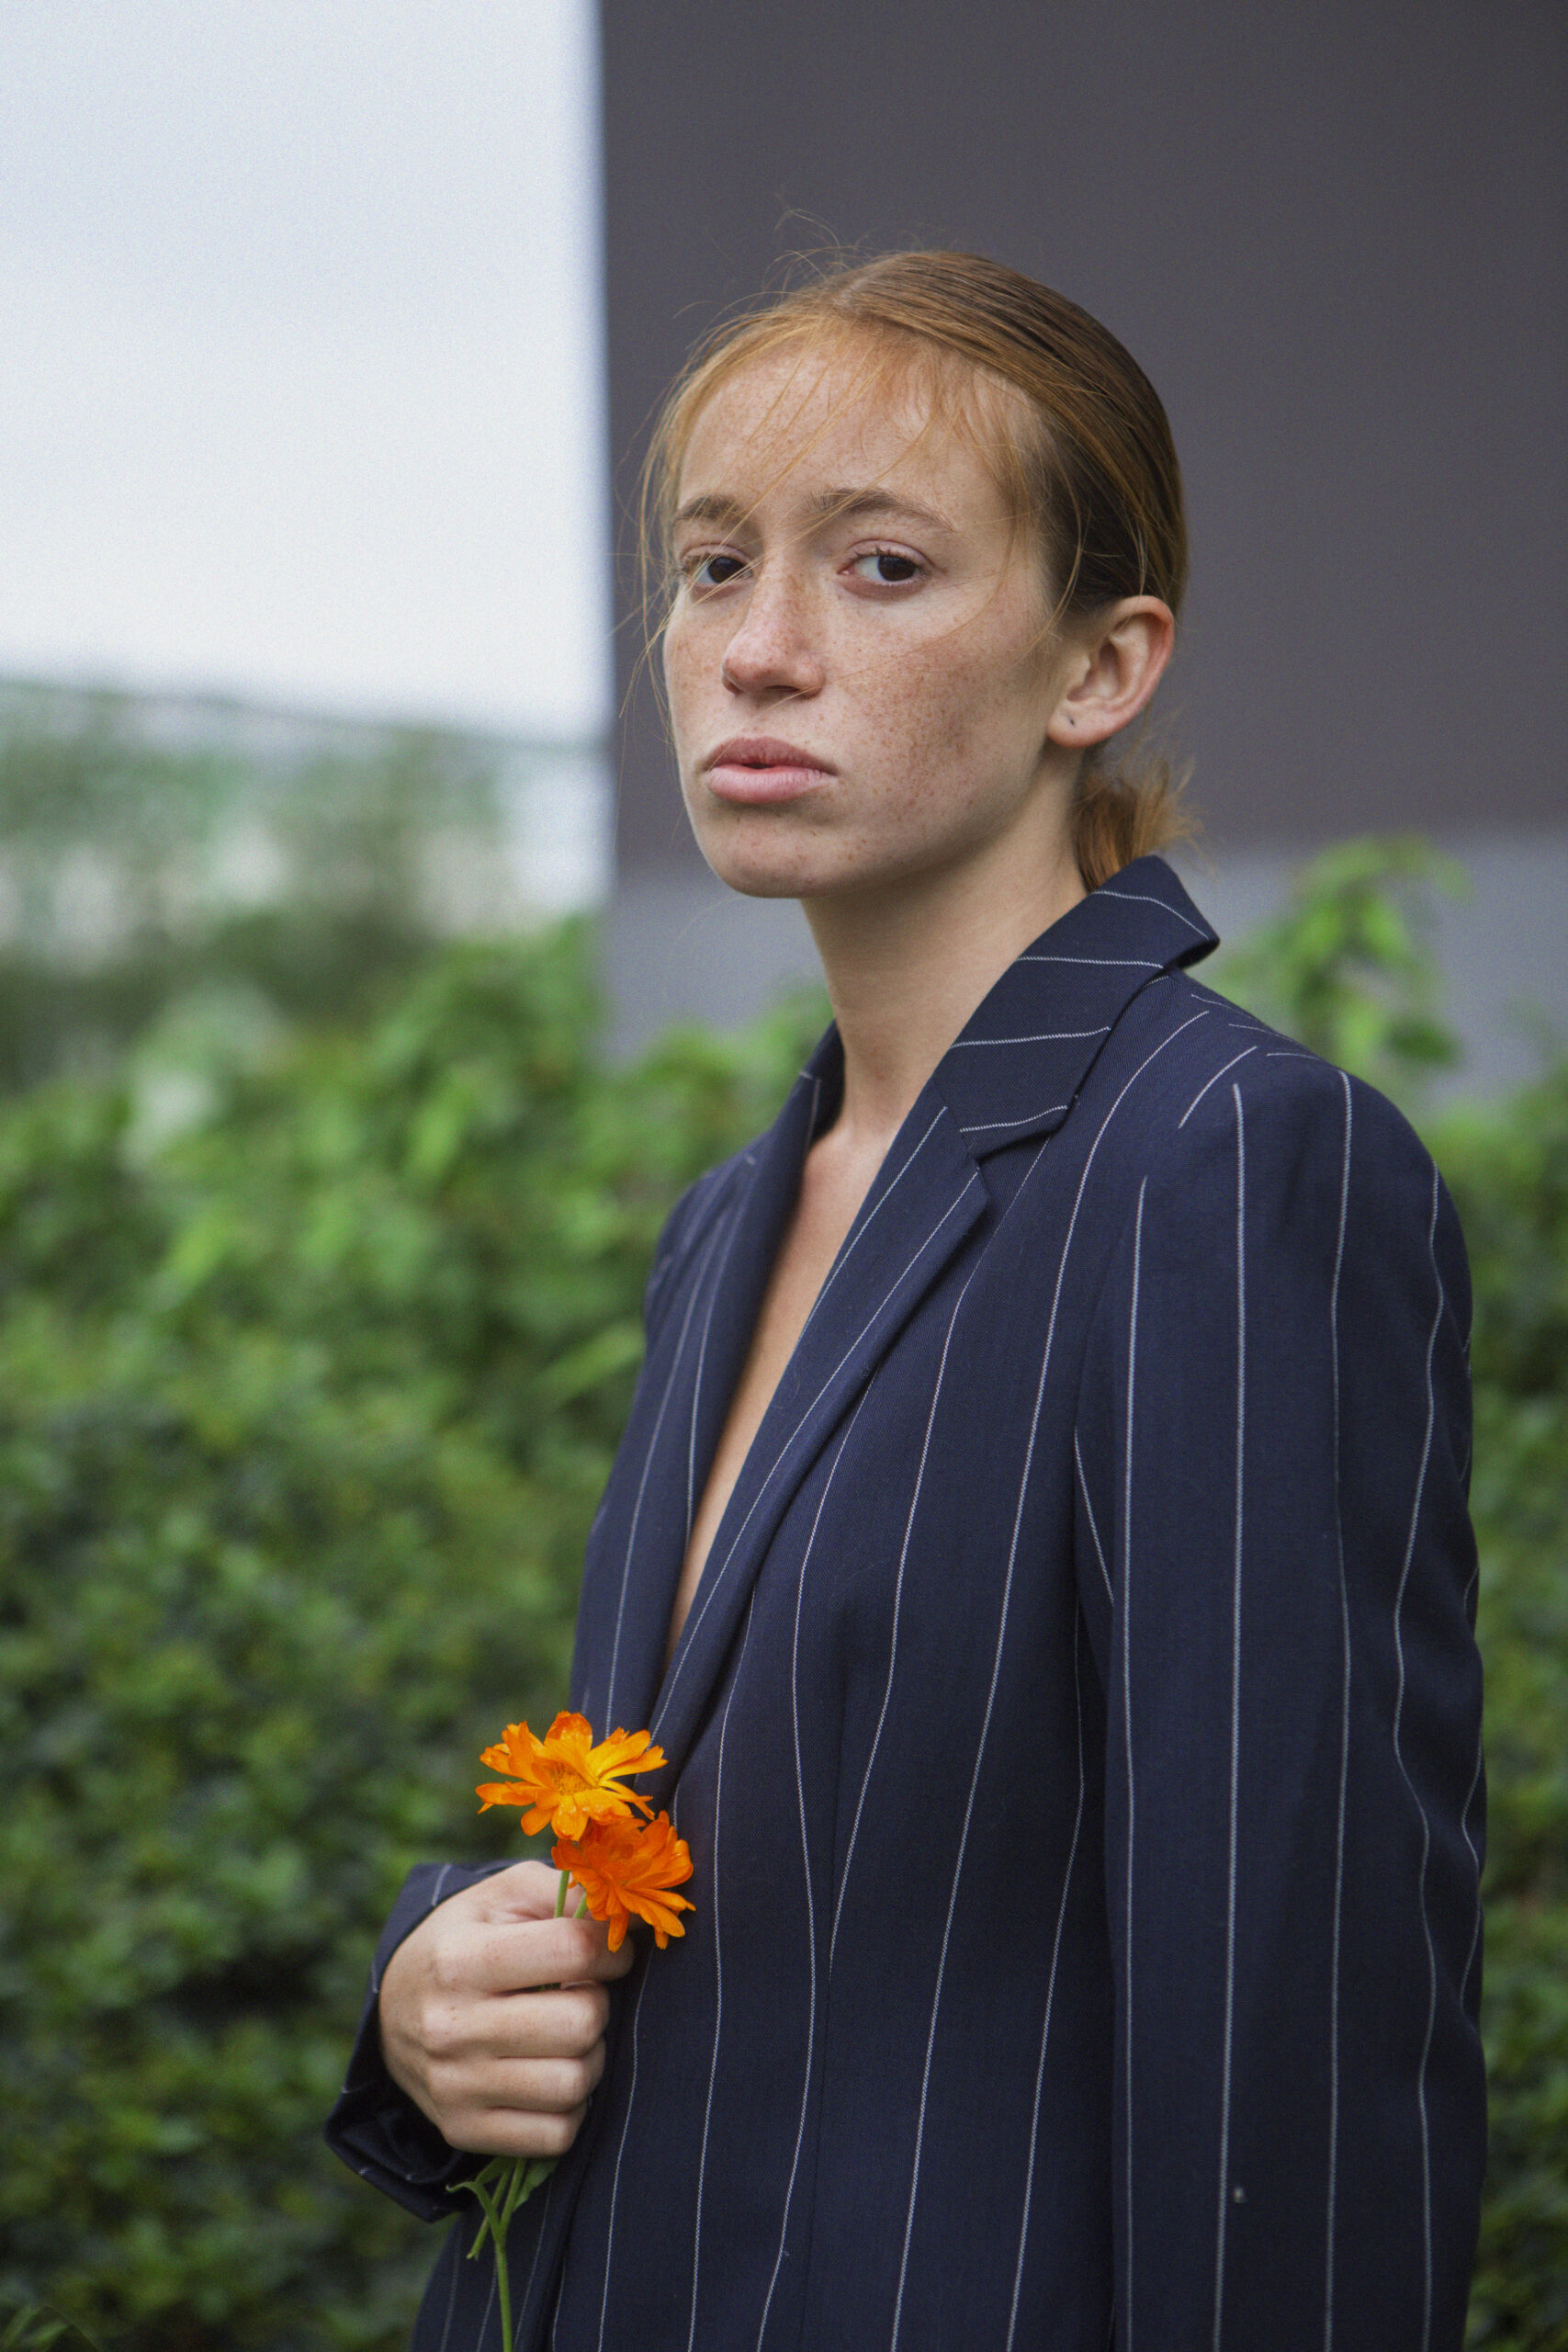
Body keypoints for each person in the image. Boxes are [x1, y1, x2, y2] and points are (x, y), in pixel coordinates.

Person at [327, 252, 1485, 2351]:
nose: (757, 648)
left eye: (879, 565)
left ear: (1097, 665)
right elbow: (780, 1871)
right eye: (711, 564)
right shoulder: (728, 1220)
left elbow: (1295, 2039)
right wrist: (440, 1990)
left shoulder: (1222, 1161)